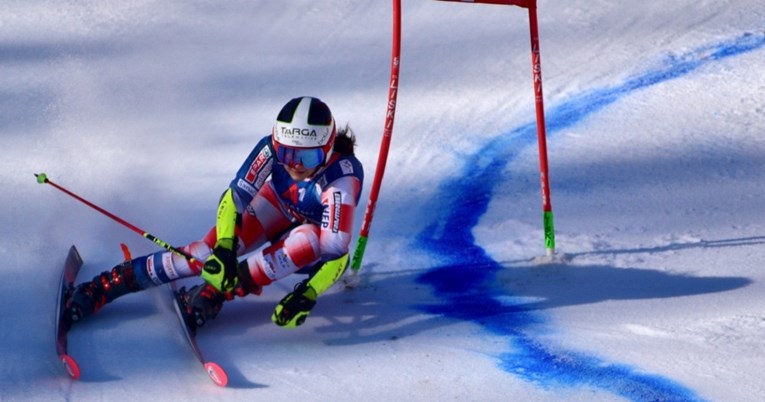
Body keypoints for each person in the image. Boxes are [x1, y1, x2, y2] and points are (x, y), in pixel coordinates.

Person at [65, 96, 364, 330]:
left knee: (309, 240)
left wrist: (308, 293)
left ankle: (216, 293)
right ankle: (108, 285)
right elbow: (234, 198)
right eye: (286, 153)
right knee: (206, 253)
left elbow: (335, 253)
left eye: (307, 155)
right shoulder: (270, 150)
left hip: (311, 253)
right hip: (278, 206)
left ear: (325, 149)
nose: (295, 164)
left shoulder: (340, 180)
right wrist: (224, 249)